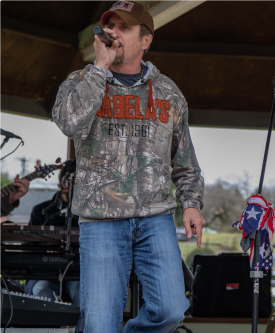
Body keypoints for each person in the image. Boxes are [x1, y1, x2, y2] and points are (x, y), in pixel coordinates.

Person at [52, 2, 205, 332]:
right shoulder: (80, 80)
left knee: (171, 310)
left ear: (146, 40)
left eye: (123, 27)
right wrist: (99, 70)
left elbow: (185, 161)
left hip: (156, 217)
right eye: (109, 26)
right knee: (100, 323)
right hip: (101, 219)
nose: (112, 32)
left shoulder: (169, 93)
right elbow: (69, 123)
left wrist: (191, 204)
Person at [24, 160, 83, 331]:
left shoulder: (86, 215)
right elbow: (28, 246)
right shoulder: (40, 210)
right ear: (64, 182)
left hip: (77, 272)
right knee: (42, 291)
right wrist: (45, 246)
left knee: (84, 294)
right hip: (44, 272)